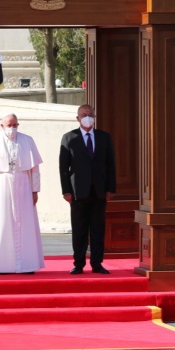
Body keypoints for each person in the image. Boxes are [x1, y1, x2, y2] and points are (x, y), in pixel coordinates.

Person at [0, 113, 45, 274]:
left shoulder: (27, 140)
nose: (12, 128)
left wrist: (35, 190)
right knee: (2, 223)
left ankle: (27, 264)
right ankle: (3, 265)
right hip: (1, 186)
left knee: (25, 224)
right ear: (2, 126)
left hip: (23, 186)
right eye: (9, 125)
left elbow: (34, 168)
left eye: (15, 125)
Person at [59, 104, 116, 275]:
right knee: (79, 229)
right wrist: (66, 191)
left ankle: (97, 264)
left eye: (90, 114)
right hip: (77, 193)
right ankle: (78, 263)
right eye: (84, 114)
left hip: (99, 191)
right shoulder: (69, 138)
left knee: (98, 229)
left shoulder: (104, 137)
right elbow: (63, 167)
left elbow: (110, 165)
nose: (87, 117)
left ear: (94, 117)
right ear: (78, 118)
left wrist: (110, 189)